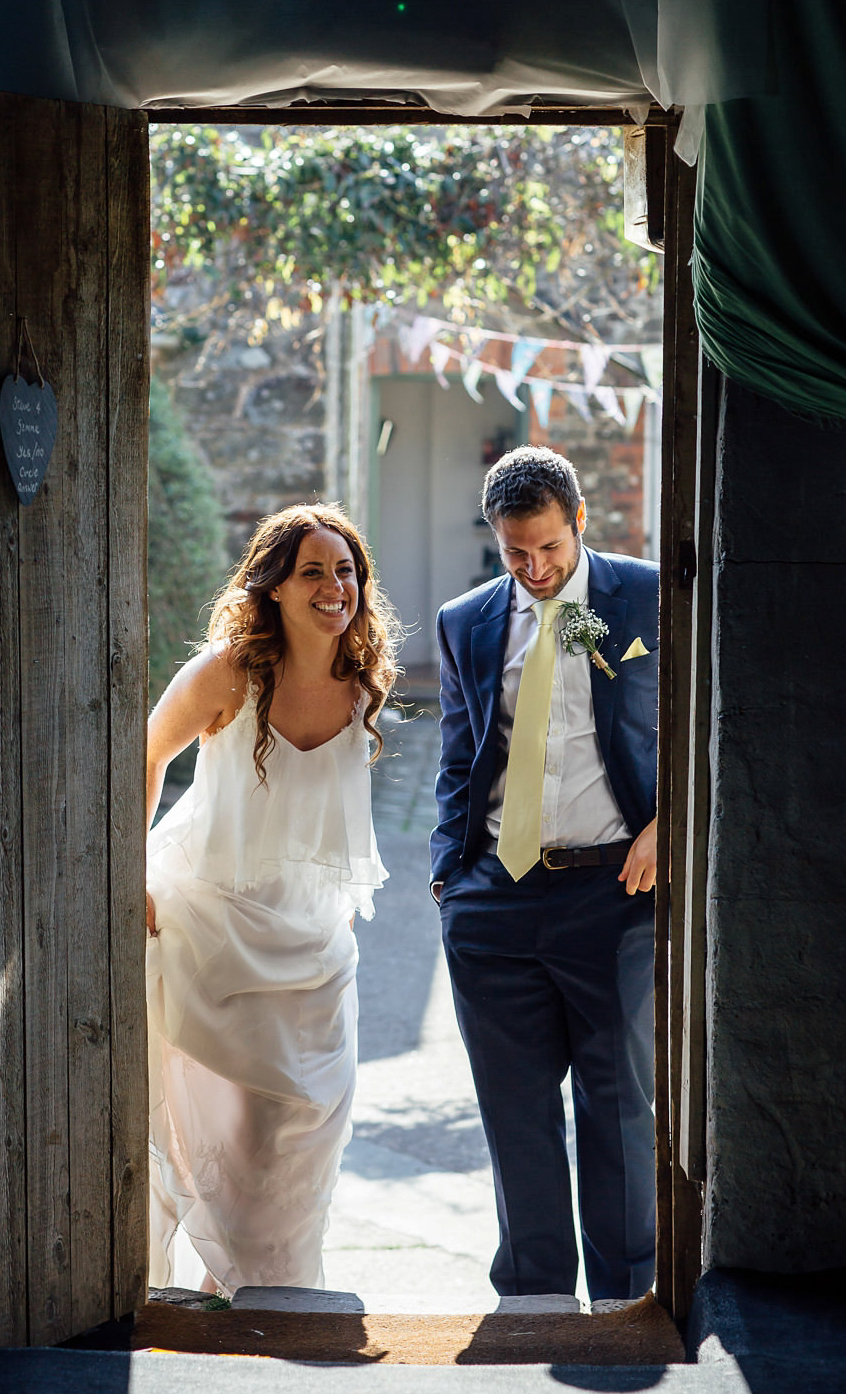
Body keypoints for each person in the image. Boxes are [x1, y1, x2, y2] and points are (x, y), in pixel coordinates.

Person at [144, 503, 397, 1295]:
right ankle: (209, 1292)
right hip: (210, 926)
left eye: (346, 570)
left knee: (306, 1134)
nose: (336, 586)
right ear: (276, 587)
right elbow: (143, 757)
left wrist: (338, 894)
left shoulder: (363, 679)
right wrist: (126, 876)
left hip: (317, 942)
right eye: (314, 571)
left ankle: (274, 1292)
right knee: (219, 1127)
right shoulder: (227, 672)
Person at [432, 445, 658, 1310]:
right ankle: (531, 1302)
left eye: (549, 551)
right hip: (493, 900)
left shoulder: (641, 597)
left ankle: (629, 1301)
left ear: (579, 523)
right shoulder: (468, 620)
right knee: (516, 1116)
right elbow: (461, 758)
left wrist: (666, 825)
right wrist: (449, 879)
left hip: (613, 894)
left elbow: (699, 715)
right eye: (514, 554)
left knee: (617, 1108)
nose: (534, 570)